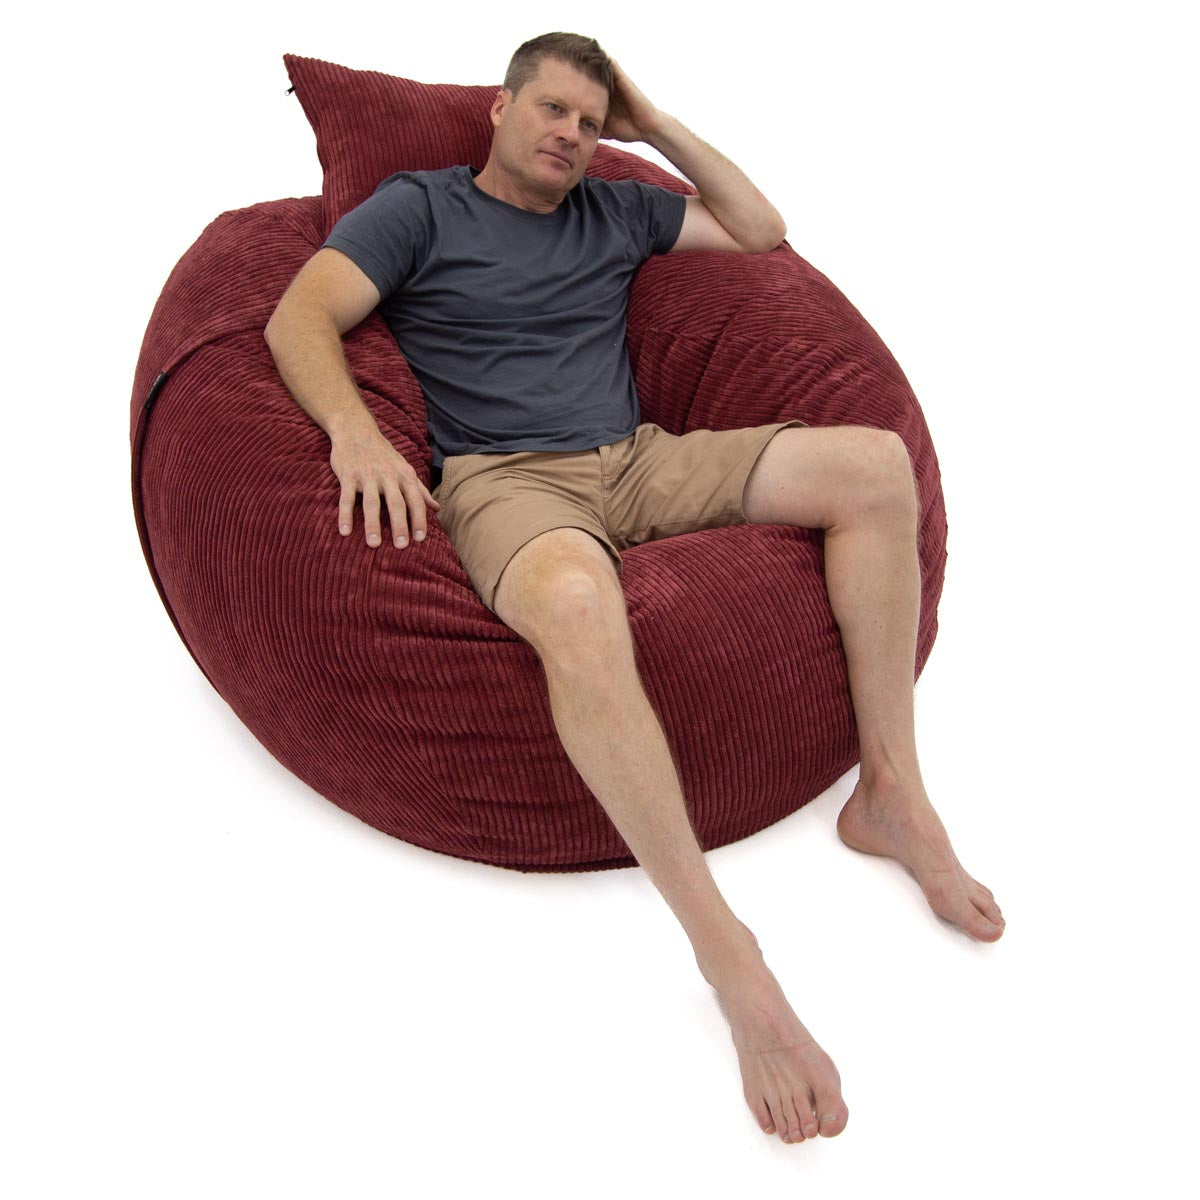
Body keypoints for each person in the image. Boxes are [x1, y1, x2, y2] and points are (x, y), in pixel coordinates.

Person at [264, 31, 1005, 1147]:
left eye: (589, 121)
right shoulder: (420, 207)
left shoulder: (614, 209)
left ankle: (892, 793)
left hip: (637, 462)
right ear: (501, 108)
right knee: (575, 606)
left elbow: (760, 228)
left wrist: (651, 125)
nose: (571, 135)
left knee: (876, 467)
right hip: (507, 481)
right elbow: (298, 316)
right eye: (552, 110)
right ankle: (729, 954)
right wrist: (355, 435)